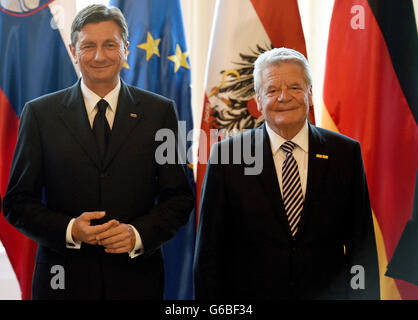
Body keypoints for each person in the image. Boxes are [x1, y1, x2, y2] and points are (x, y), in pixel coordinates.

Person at [3, 4, 193, 300]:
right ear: (73, 50)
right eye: (88, 46)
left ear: (126, 49)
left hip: (137, 280)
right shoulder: (40, 114)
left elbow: (179, 198)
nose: (99, 56)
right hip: (61, 279)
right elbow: (17, 202)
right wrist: (70, 230)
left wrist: (136, 235)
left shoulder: (160, 113)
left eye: (110, 45)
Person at [194, 47, 380, 299]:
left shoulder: (345, 153)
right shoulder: (226, 157)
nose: (284, 97)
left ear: (310, 94)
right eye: (272, 90)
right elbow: (209, 255)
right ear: (258, 100)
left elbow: (362, 247)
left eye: (295, 87)